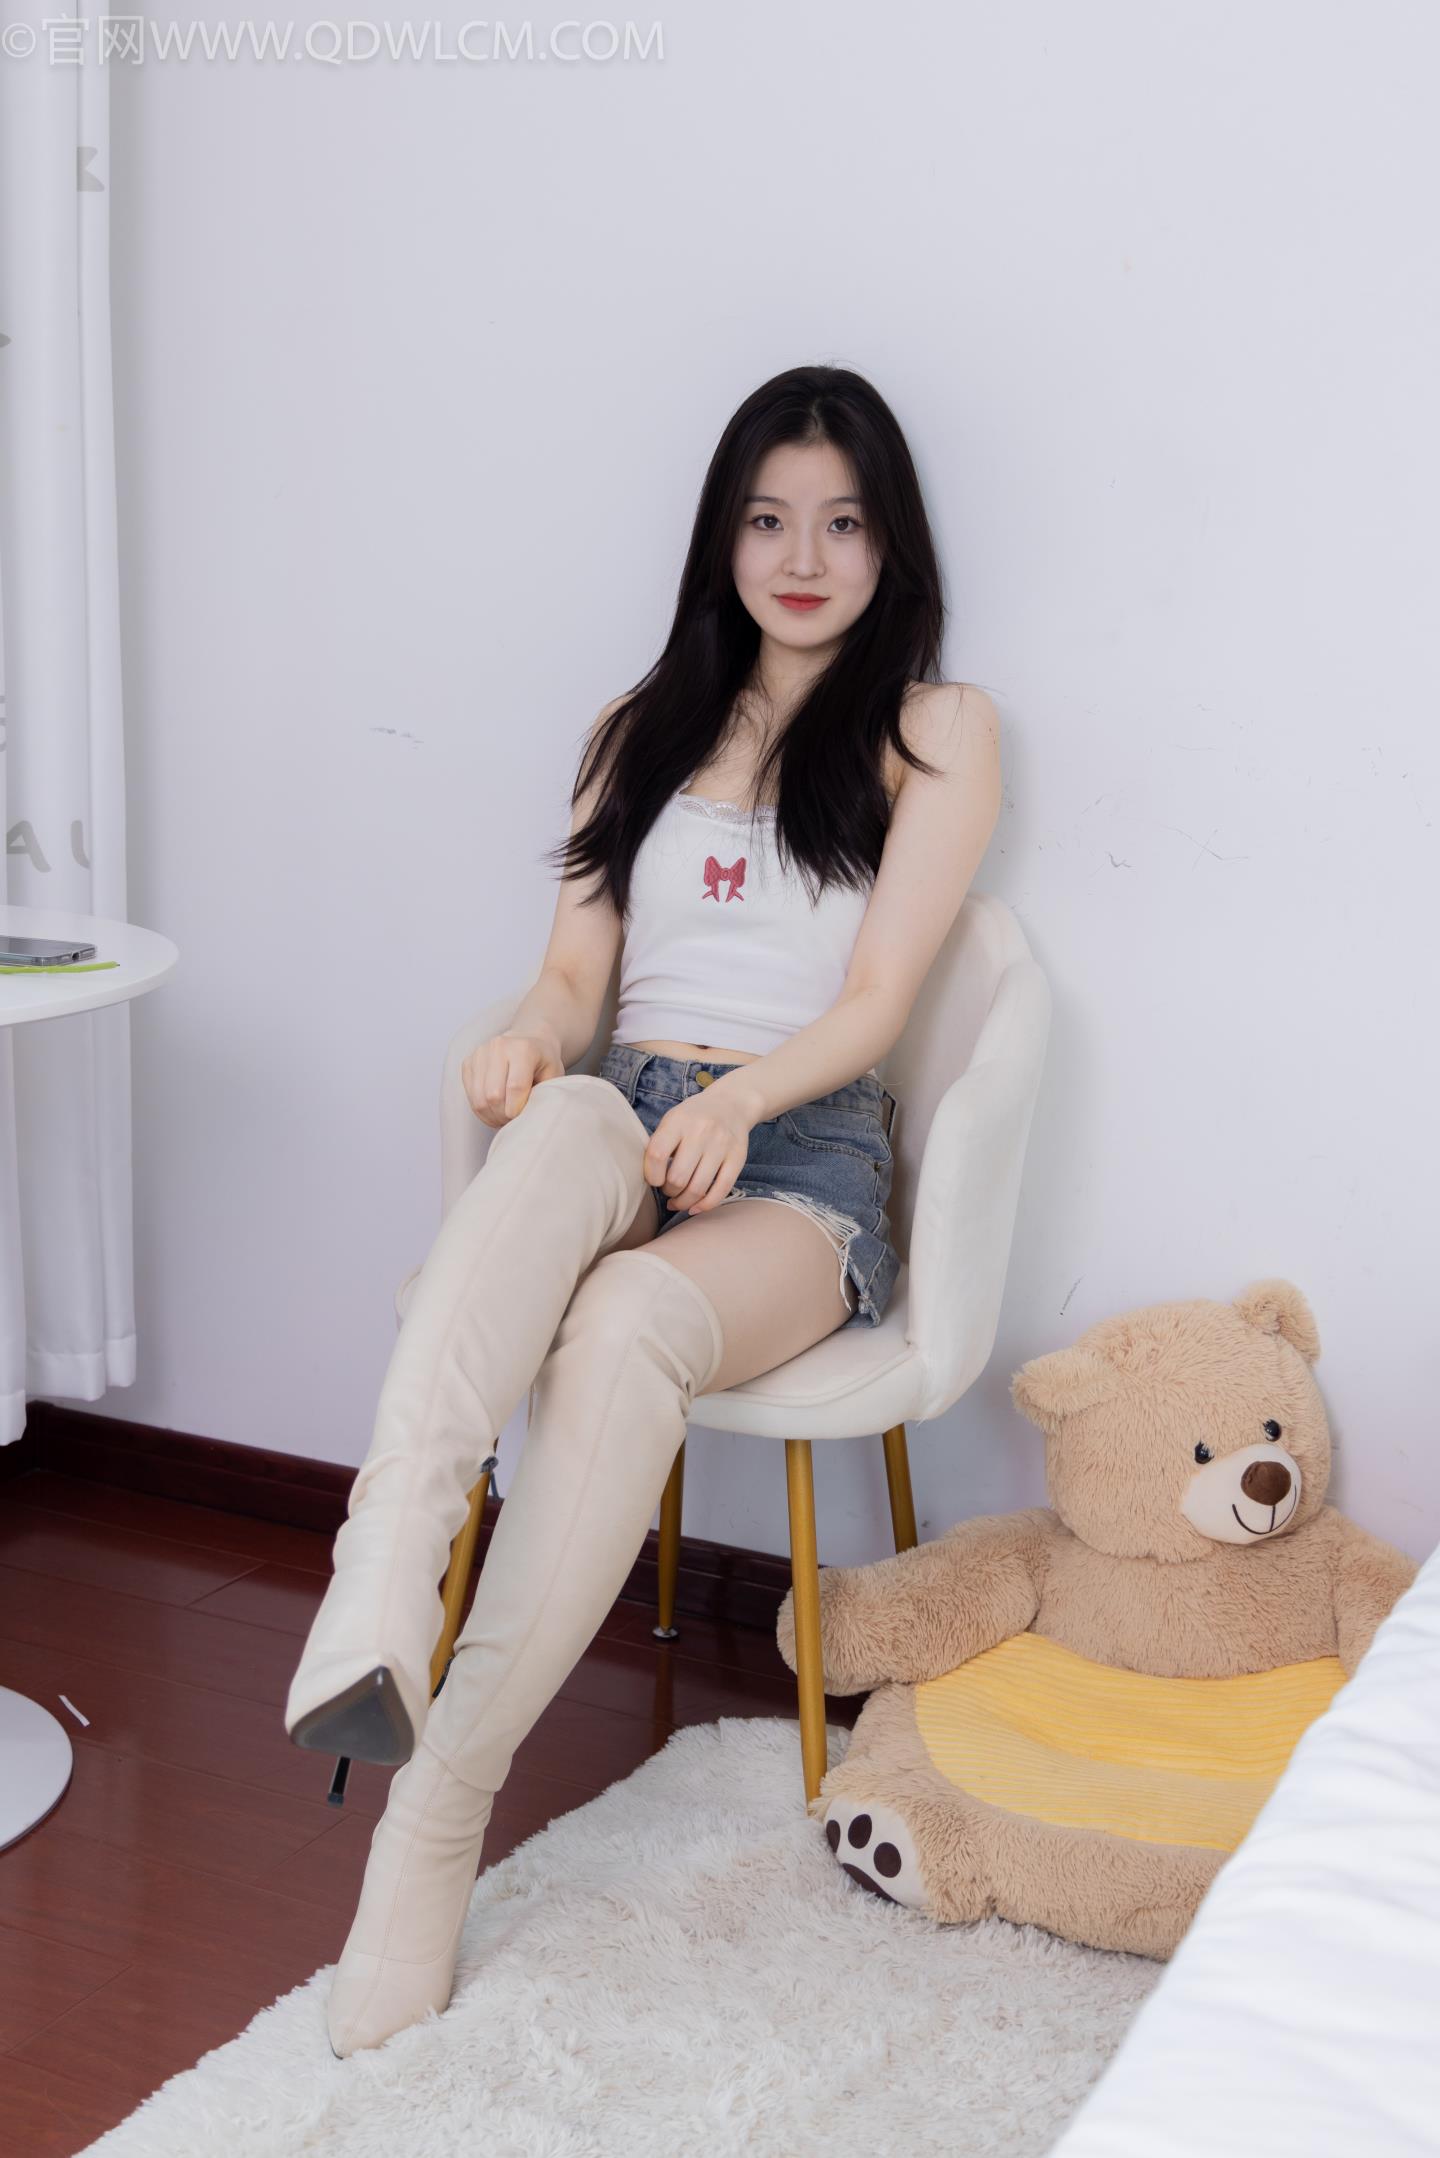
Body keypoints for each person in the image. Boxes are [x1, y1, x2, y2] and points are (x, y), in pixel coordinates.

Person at [284, 363, 1003, 2056]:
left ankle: (436, 1811)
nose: (803, 558)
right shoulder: (640, 727)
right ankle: (383, 1577)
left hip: (801, 1154)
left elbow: (880, 998)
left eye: (842, 522)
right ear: (721, 538)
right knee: (566, 1118)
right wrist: (530, 1044)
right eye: (769, 519)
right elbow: (569, 978)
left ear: (891, 542)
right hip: (632, 1112)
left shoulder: (938, 730)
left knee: (623, 1325)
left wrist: (744, 1102)